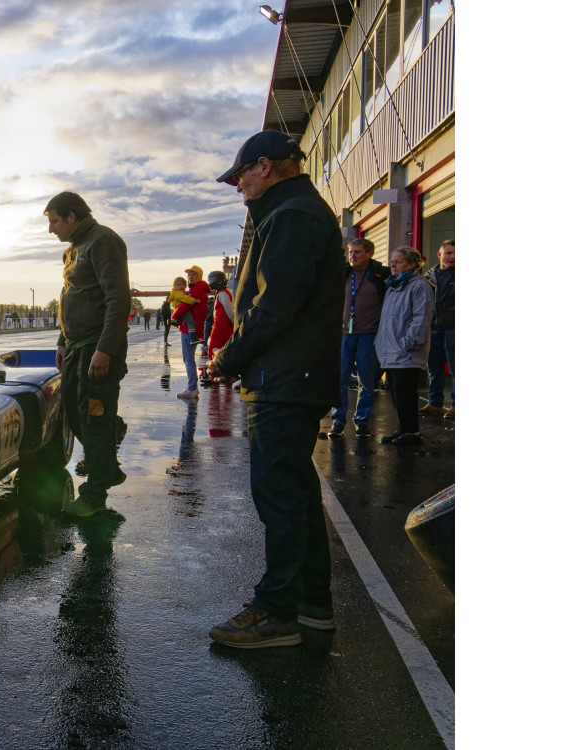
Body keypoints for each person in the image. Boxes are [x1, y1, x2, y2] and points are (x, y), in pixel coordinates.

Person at [203, 130, 345, 649]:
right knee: (297, 495)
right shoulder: (292, 213)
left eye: (240, 175)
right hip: (289, 375)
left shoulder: (293, 216)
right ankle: (311, 606)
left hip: (286, 378)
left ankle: (276, 611)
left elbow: (276, 304)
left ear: (266, 166)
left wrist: (227, 358)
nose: (237, 185)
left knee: (280, 497)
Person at [45, 191, 131, 518]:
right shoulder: (73, 251)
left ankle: (94, 495)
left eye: (54, 221)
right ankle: (108, 464)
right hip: (75, 346)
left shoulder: (103, 241)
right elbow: (71, 296)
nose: (51, 229)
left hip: (97, 347)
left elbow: (117, 299)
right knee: (72, 409)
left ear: (72, 217)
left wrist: (106, 350)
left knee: (93, 417)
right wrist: (61, 341)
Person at [327, 239, 391, 439]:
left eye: (358, 252)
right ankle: (338, 421)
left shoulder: (380, 275)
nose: (353, 256)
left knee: (367, 380)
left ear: (370, 253)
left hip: (369, 335)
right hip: (344, 335)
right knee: (340, 380)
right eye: (351, 252)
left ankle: (362, 422)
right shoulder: (342, 274)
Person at [376, 246, 435, 445]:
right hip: (391, 350)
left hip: (406, 352)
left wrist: (408, 343)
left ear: (412, 264)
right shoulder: (393, 286)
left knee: (405, 392)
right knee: (396, 392)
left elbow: (421, 318)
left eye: (398, 261)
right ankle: (404, 428)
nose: (393, 264)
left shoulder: (419, 286)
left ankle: (412, 431)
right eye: (392, 261)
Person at [422, 240, 455, 419]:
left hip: (454, 329)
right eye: (449, 253)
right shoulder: (428, 276)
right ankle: (434, 403)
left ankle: (456, 405)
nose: (453, 257)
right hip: (433, 329)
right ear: (439, 255)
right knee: (434, 368)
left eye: (455, 253)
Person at [166, 277, 200, 397]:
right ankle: (193, 387)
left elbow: (181, 308)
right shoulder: (185, 293)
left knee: (188, 359)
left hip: (186, 331)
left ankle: (192, 388)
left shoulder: (183, 294)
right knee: (189, 359)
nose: (181, 286)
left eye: (182, 284)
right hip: (187, 329)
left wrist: (174, 316)